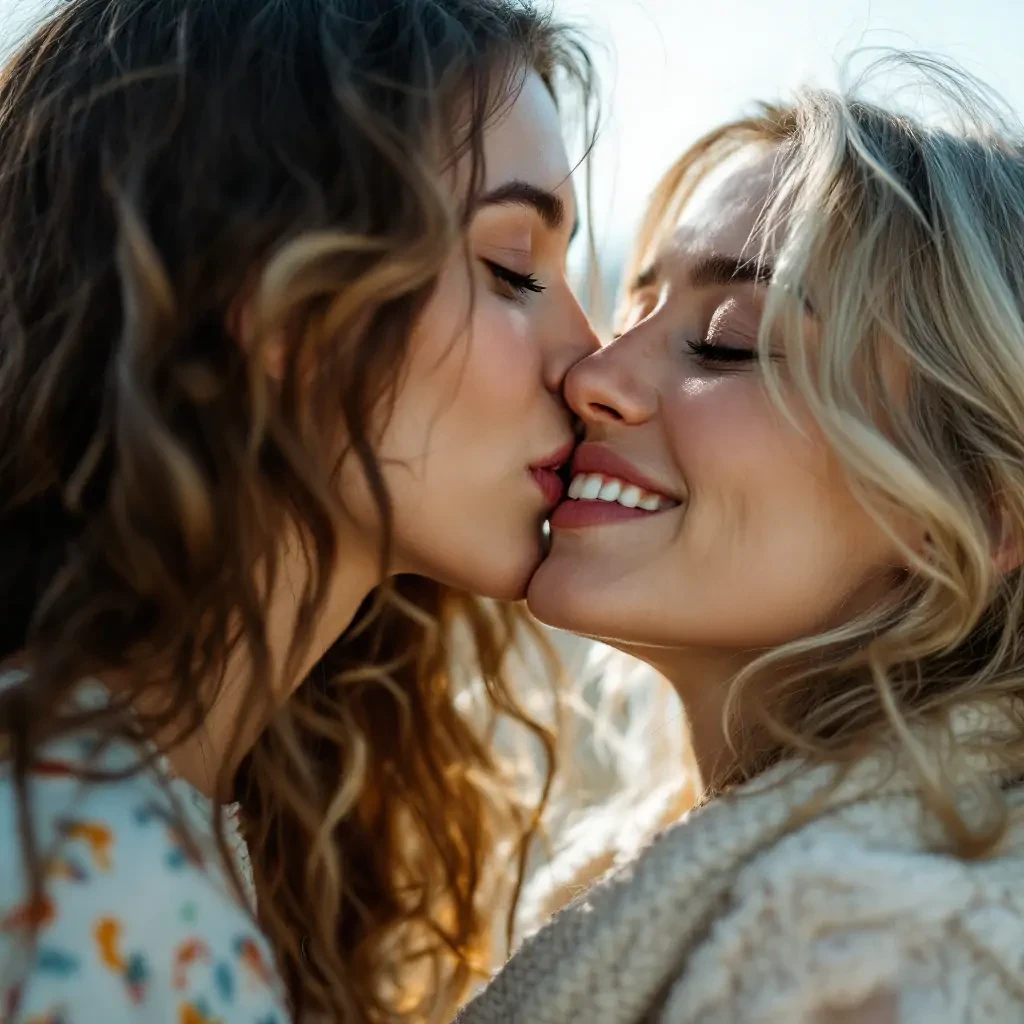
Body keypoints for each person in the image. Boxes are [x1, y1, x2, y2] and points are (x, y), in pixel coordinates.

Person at [0, 0, 598, 1020]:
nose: (587, 361)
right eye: (512, 269)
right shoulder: (85, 871)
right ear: (274, 292)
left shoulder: (164, 825)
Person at [458, 56, 1024, 1023]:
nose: (593, 373)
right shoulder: (632, 873)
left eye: (725, 339)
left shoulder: (900, 957)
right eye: (632, 309)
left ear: (970, 512)